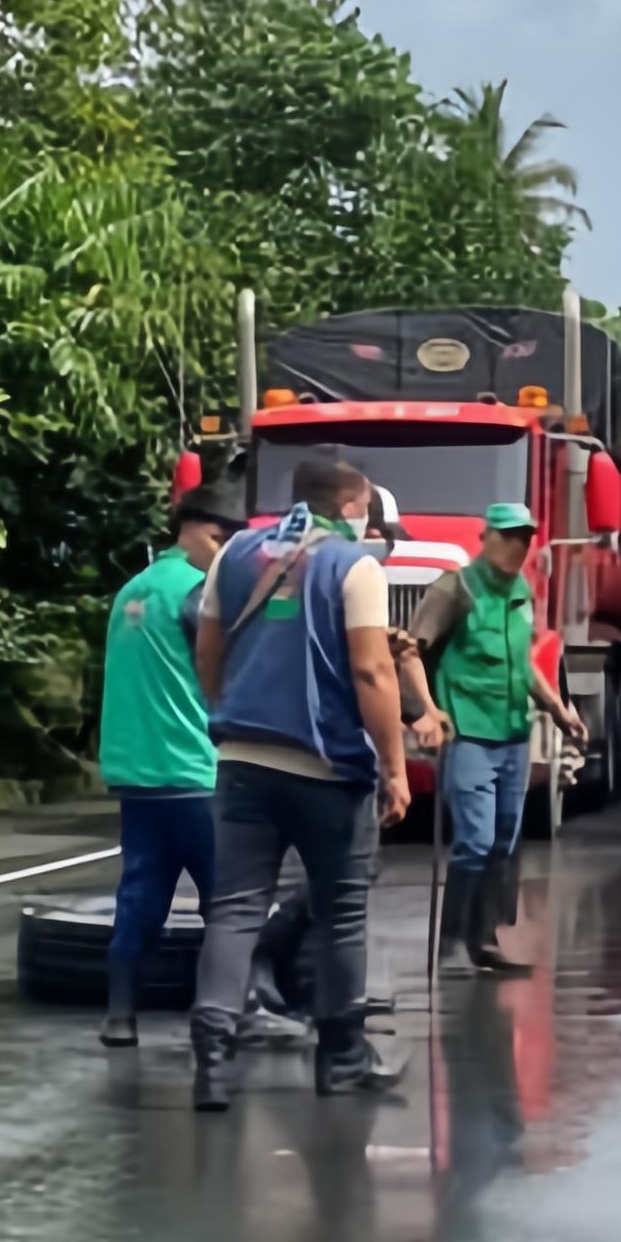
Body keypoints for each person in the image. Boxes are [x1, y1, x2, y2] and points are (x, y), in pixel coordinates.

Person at [189, 456, 411, 1109]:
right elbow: (372, 673)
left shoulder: (235, 555)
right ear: (349, 507)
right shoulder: (354, 566)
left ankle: (213, 1062)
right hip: (326, 769)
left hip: (243, 761)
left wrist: (227, 709)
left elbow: (207, 649)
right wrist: (394, 766)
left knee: (234, 910)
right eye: (364, 509)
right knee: (341, 913)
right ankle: (340, 1057)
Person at [400, 501, 583, 976]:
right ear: (487, 539)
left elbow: (523, 665)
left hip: (513, 732)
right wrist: (428, 710)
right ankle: (452, 944)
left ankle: (484, 940)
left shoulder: (520, 591)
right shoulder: (454, 588)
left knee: (504, 840)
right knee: (476, 840)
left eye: (525, 537)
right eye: (509, 536)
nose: (518, 546)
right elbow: (411, 652)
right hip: (468, 731)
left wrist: (558, 709)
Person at [98, 486, 243, 1047]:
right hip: (194, 771)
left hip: (136, 772)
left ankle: (120, 1015)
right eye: (221, 540)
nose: (224, 554)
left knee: (141, 896)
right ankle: (236, 1012)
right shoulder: (199, 593)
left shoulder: (133, 589)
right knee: (227, 903)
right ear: (198, 531)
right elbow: (228, 673)